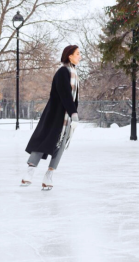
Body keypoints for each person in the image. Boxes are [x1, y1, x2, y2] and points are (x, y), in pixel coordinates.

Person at [22, 45, 81, 190]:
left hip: (66, 118)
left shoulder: (74, 73)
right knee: (44, 141)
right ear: (69, 56)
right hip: (55, 114)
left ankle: (48, 176)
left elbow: (75, 98)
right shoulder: (63, 72)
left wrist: (73, 113)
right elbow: (65, 94)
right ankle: (29, 172)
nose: (80, 56)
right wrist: (74, 113)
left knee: (60, 145)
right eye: (77, 54)